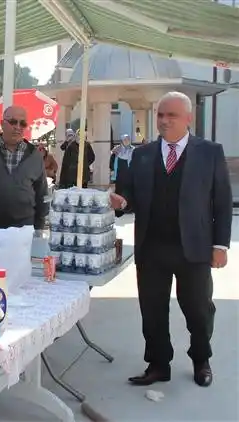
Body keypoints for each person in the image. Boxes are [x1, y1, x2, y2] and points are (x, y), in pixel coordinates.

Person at [109, 91, 232, 388]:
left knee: (199, 310)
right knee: (152, 310)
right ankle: (158, 363)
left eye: (171, 115)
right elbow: (133, 198)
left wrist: (220, 245)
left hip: (195, 248)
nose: (164, 121)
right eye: (161, 115)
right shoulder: (142, 154)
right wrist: (123, 204)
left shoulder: (210, 152)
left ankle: (201, 359)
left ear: (188, 119)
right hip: (152, 247)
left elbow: (222, 202)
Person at [0, 105, 48, 233]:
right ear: (2, 124)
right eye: (13, 122)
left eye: (22, 123)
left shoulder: (34, 155)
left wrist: (39, 225)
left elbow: (41, 192)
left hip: (23, 226)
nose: (18, 127)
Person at [110, 134, 135, 208]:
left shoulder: (133, 150)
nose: (126, 141)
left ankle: (129, 207)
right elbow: (112, 161)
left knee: (129, 191)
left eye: (128, 139)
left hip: (129, 174)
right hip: (119, 175)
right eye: (124, 140)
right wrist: (112, 170)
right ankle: (119, 207)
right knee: (119, 190)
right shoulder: (117, 150)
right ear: (121, 141)